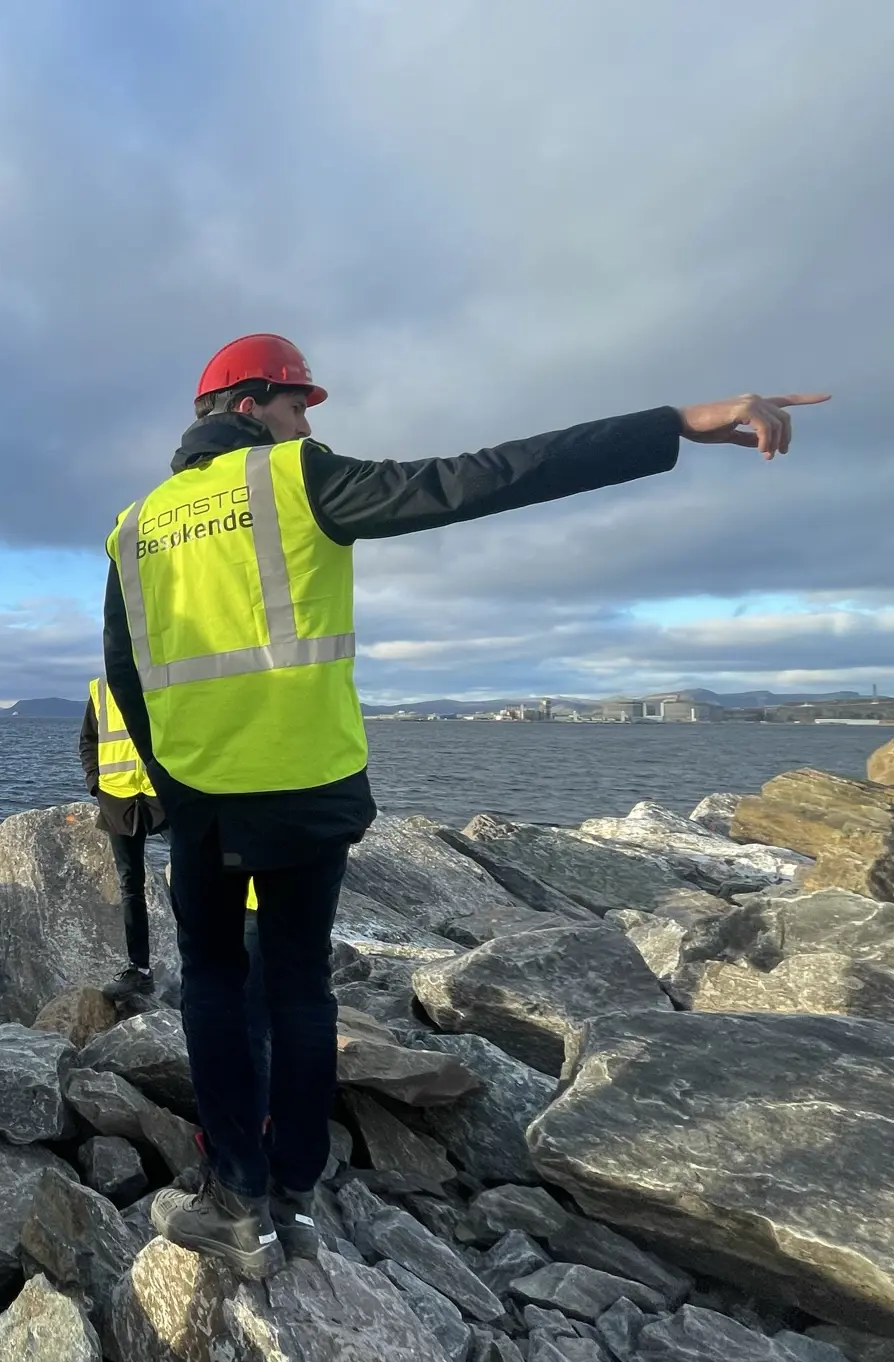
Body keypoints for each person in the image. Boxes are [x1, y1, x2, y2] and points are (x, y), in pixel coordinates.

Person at [106, 332, 827, 1280]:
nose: (308, 421)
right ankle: (294, 1197)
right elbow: (483, 477)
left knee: (210, 986)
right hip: (311, 793)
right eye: (297, 404)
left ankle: (236, 1202)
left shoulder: (134, 525)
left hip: (204, 805)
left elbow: (126, 674)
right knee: (297, 987)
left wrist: (180, 784)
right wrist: (672, 426)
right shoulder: (294, 480)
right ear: (249, 406)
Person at [80, 675, 165, 1006]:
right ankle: (139, 970)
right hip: (118, 798)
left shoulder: (167, 675)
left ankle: (209, 962)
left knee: (196, 877)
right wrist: (95, 785)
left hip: (164, 795)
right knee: (131, 885)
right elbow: (88, 740)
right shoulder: (100, 688)